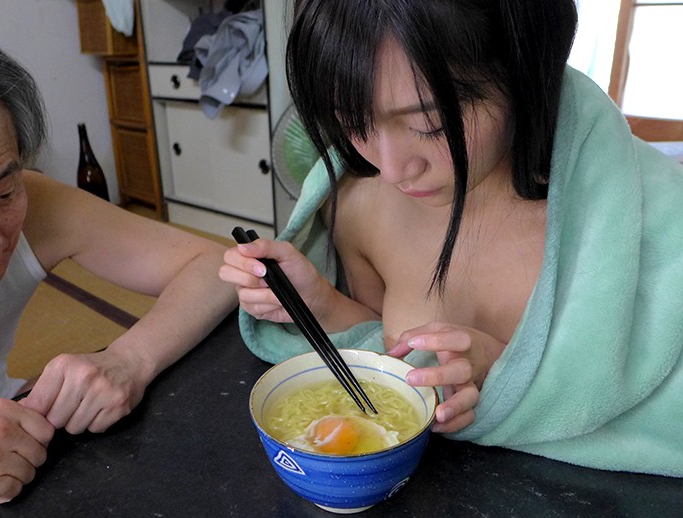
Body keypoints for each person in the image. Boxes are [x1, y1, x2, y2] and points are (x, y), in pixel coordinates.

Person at [220, 0, 683, 477]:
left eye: (430, 124)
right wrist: (322, 304)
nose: (392, 169)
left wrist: (501, 378)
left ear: (521, 74)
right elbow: (384, 348)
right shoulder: (358, 201)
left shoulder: (640, 221)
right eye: (353, 121)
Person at [0, 29, 236, 518]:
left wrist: (129, 358)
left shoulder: (39, 205)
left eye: (2, 195)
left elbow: (218, 266)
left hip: (11, 443)